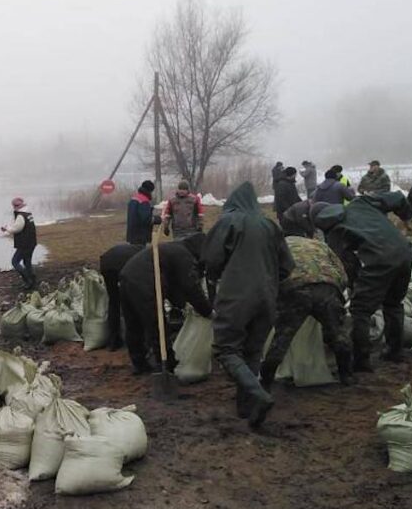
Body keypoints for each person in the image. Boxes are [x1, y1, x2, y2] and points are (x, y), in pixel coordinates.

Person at [203, 182, 295, 428]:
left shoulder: (230, 221)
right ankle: (246, 408)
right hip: (267, 297)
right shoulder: (269, 225)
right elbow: (287, 266)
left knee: (226, 349)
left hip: (236, 296)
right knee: (253, 350)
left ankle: (259, 395)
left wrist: (216, 277)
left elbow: (211, 259)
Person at [314, 193, 412, 372]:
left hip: (379, 259)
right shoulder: (362, 202)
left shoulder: (334, 231)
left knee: (360, 310)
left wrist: (353, 286)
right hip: (404, 252)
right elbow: (398, 198)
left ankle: (361, 360)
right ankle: (395, 351)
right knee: (393, 304)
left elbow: (347, 264)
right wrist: (406, 218)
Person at [260, 236, 353, 388]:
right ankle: (346, 376)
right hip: (326, 287)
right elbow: (342, 273)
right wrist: (337, 295)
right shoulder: (319, 244)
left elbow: (268, 273)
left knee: (282, 339)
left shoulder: (275, 244)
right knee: (338, 334)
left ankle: (266, 380)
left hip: (295, 289)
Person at [118, 238, 212, 374]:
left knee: (133, 323)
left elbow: (174, 284)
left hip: (126, 276)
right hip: (145, 283)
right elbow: (191, 287)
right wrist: (207, 311)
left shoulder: (172, 250)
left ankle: (139, 363)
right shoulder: (184, 255)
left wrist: (181, 304)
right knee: (157, 324)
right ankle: (167, 365)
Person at [98, 243, 143, 351]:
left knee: (113, 302)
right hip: (120, 265)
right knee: (132, 302)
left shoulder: (136, 251)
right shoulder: (143, 257)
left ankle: (113, 341)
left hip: (106, 263)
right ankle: (135, 339)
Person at [1, 197, 37, 289]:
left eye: (14, 206)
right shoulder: (28, 213)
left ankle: (28, 279)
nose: (13, 207)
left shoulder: (21, 216)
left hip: (24, 243)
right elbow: (19, 226)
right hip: (31, 242)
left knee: (15, 262)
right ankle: (32, 280)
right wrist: (8, 230)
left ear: (15, 206)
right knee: (27, 262)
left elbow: (17, 229)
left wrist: (7, 229)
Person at [126, 180, 157, 246]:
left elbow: (136, 214)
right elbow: (146, 219)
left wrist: (150, 209)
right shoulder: (144, 201)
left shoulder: (134, 198)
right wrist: (158, 219)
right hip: (140, 235)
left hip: (132, 234)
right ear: (150, 190)